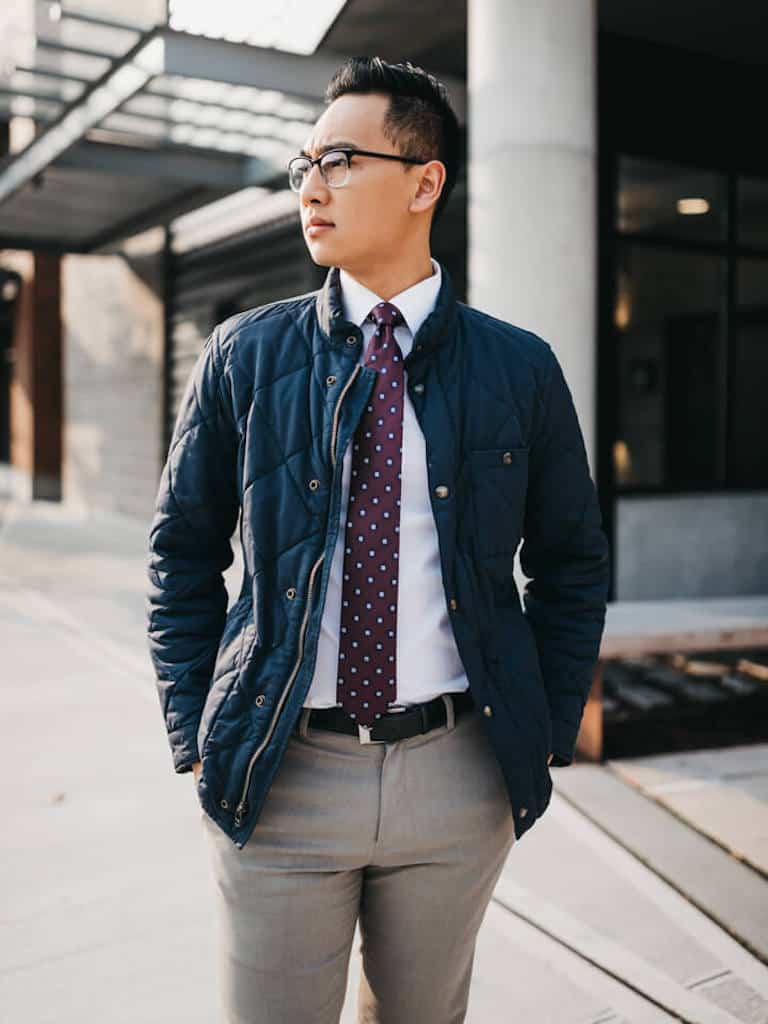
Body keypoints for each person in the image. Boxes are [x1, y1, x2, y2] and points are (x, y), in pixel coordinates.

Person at [146, 55, 610, 1024]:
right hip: (281, 774)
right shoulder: (245, 354)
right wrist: (197, 731)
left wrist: (543, 727)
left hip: (456, 774)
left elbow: (571, 561)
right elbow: (181, 549)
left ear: (424, 181)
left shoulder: (520, 368)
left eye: (341, 161)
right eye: (302, 164)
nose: (310, 187)